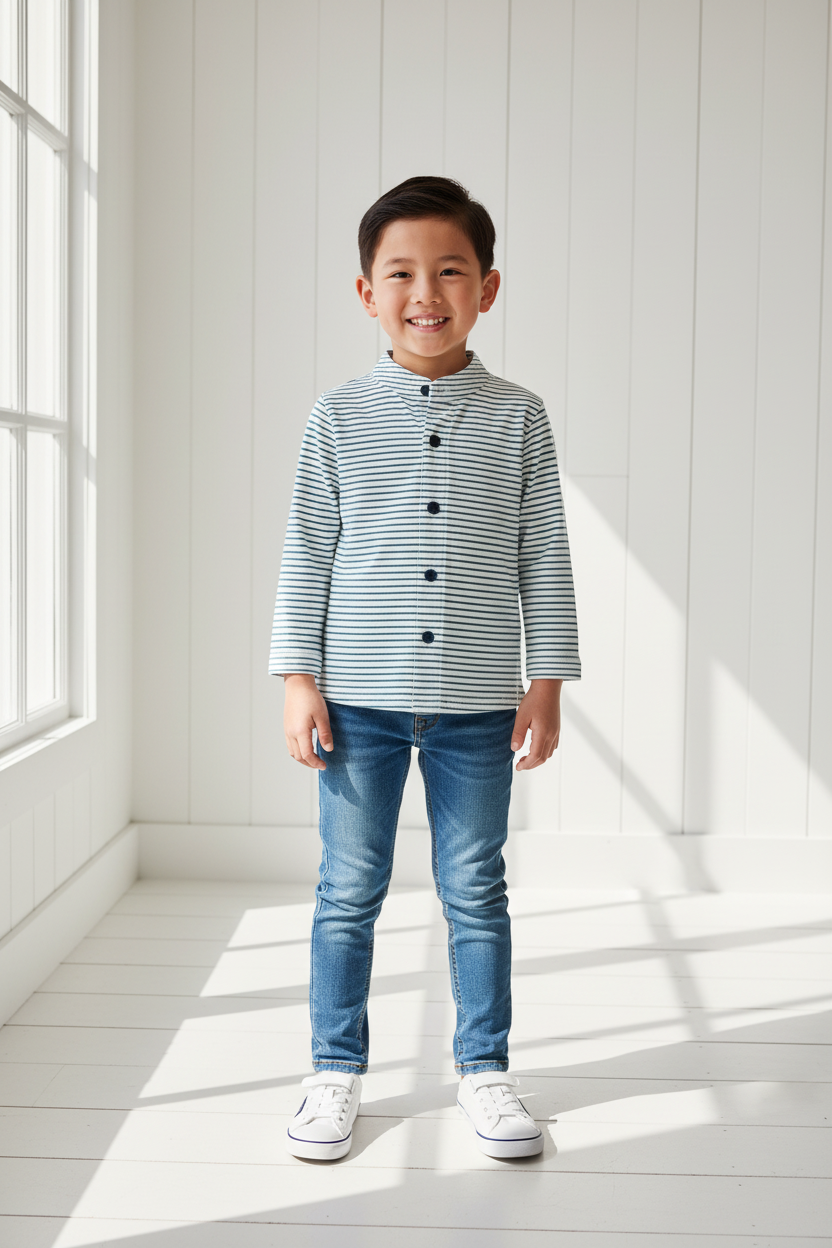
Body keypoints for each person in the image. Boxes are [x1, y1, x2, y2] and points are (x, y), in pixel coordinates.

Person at [270, 175, 580, 1162]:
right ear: (368, 292)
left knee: (474, 886)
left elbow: (543, 552)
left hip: (478, 703)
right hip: (354, 701)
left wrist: (546, 681)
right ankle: (334, 1071)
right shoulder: (337, 415)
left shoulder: (520, 417)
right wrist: (297, 678)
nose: (425, 293)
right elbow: (308, 549)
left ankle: (484, 1069)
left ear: (487, 288)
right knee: (347, 887)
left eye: (449, 271)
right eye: (400, 273)